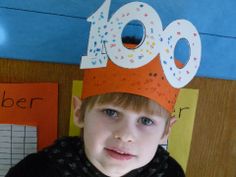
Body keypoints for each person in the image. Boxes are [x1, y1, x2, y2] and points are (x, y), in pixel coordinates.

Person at [6, 52, 186, 177]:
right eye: (111, 112)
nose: (125, 135)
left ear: (166, 130)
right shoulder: (36, 171)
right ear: (80, 113)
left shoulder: (169, 173)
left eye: (146, 120)